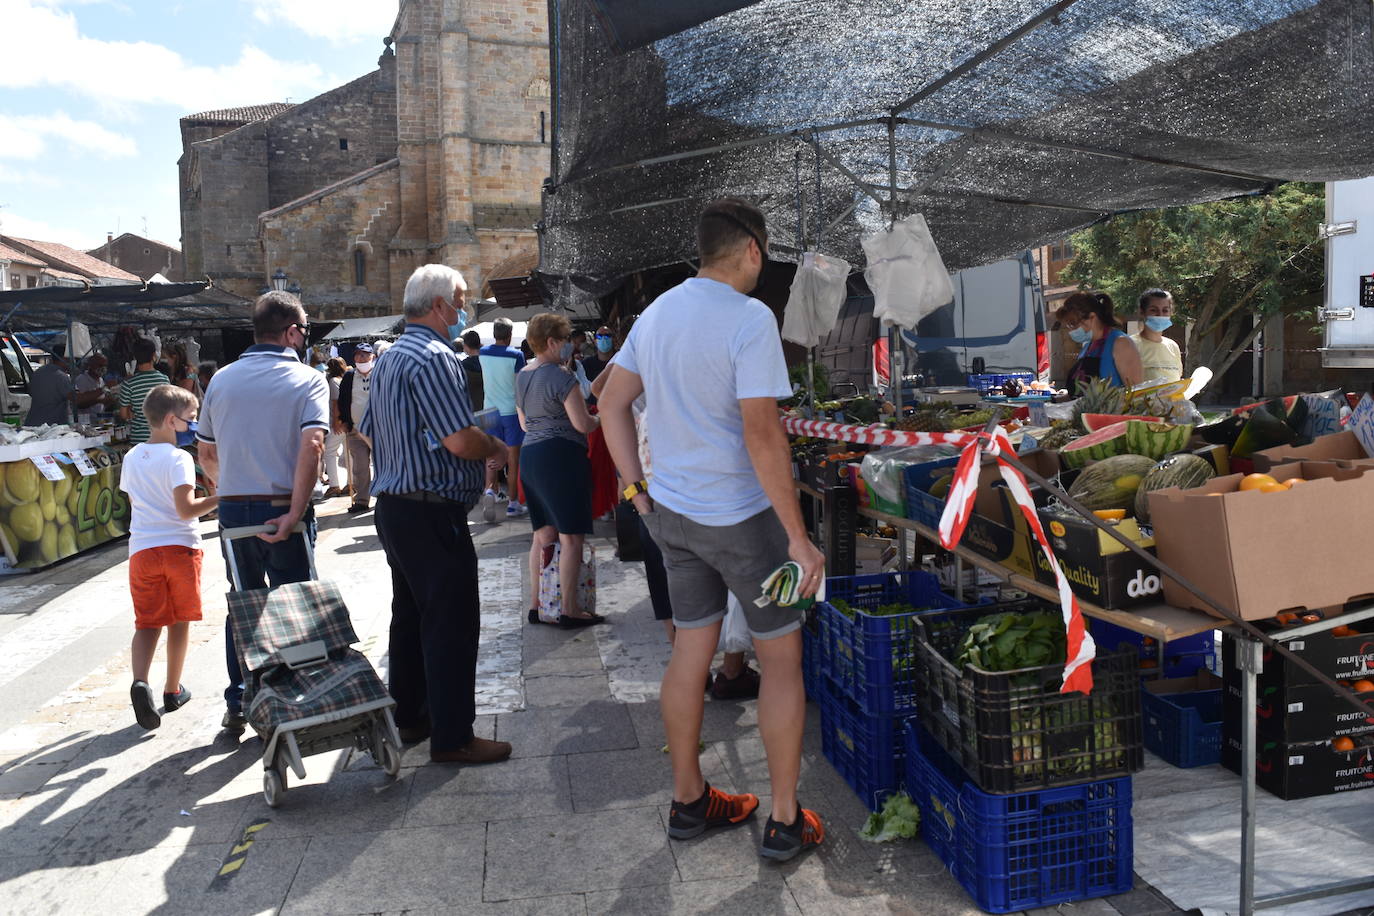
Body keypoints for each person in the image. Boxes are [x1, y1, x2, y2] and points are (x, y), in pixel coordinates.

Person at [600, 198, 826, 862]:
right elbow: (762, 434)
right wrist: (798, 535)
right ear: (752, 249)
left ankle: (690, 800)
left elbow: (611, 404)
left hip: (671, 515)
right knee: (781, 661)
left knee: (689, 654)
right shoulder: (750, 318)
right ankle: (785, 820)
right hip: (742, 518)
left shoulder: (657, 313)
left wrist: (638, 492)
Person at [363, 263, 512, 765]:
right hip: (430, 511)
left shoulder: (387, 359)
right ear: (439, 304)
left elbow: (369, 429)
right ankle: (453, 736)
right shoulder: (434, 357)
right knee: (450, 622)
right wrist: (496, 445)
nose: (463, 310)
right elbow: (460, 439)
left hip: (397, 507)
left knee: (410, 617)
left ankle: (412, 716)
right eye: (461, 299)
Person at [196, 290, 329, 732]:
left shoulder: (221, 380)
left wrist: (229, 486)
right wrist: (294, 511)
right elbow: (313, 445)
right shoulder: (308, 380)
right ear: (291, 332)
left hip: (235, 509)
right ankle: (299, 694)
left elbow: (206, 452)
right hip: (281, 506)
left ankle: (241, 699)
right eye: (305, 330)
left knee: (244, 602)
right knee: (296, 603)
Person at [592, 364, 760, 699]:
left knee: (669, 580)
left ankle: (693, 669)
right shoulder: (698, 389)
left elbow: (601, 393)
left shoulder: (643, 385)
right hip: (699, 502)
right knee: (726, 580)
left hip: (657, 501)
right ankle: (729, 669)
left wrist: (637, 499)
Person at [120, 384, 219, 730]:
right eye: (190, 419)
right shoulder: (179, 459)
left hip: (142, 551)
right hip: (179, 548)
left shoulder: (132, 457)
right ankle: (172, 690)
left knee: (147, 622)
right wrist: (222, 496)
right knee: (179, 620)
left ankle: (140, 682)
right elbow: (185, 510)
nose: (193, 425)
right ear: (169, 420)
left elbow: (135, 505)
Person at [516, 313, 603, 628]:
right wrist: (602, 416)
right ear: (552, 342)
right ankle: (569, 609)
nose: (570, 345)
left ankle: (537, 605)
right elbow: (582, 423)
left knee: (542, 535)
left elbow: (524, 423)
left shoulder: (523, 375)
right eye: (566, 339)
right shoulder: (562, 378)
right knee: (570, 537)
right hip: (562, 457)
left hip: (531, 456)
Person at [479, 318, 528, 521]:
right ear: (509, 335)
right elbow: (519, 386)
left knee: (490, 455)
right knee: (512, 458)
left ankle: (490, 490)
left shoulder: (483, 352)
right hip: (510, 411)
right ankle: (513, 503)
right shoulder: (517, 355)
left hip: (488, 410)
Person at [1056, 290, 1143, 391]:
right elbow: (1079, 394)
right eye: (1068, 326)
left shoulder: (1121, 343)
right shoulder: (1087, 347)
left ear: (1092, 317)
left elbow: (1136, 393)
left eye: (1073, 324)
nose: (1070, 330)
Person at [338, 343, 376, 513]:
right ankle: (361, 500)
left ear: (372, 357)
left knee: (383, 464)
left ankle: (385, 496)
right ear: (354, 358)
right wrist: (344, 420)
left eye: (365, 355)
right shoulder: (349, 376)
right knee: (359, 467)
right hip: (356, 429)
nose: (362, 358)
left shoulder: (380, 374)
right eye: (359, 355)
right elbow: (343, 399)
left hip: (379, 429)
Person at [118, 339, 171, 444]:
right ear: (153, 355)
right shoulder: (164, 380)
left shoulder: (128, 383)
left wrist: (131, 412)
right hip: (161, 437)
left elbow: (123, 415)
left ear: (135, 357)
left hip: (139, 439)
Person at [1132, 288, 1184, 383]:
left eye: (1165, 310)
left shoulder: (1173, 346)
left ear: (1171, 313)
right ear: (1142, 312)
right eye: (1153, 310)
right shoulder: (1130, 345)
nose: (1160, 314)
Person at [322, 357, 349, 497]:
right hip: (348, 421)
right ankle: (351, 483)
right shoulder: (345, 378)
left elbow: (335, 402)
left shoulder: (333, 381)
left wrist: (335, 421)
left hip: (338, 422)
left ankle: (334, 485)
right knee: (348, 453)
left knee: (329, 452)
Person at [26, 355, 74, 427]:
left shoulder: (38, 372)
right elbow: (75, 399)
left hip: (33, 422)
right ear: (64, 358)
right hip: (51, 426)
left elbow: (30, 391)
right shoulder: (61, 376)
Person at [73, 353, 115, 426]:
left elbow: (103, 403)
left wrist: (109, 400)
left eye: (105, 366)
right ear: (91, 365)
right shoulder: (82, 380)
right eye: (100, 365)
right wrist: (100, 400)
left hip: (99, 421)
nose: (103, 368)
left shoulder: (101, 380)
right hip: (86, 423)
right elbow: (80, 404)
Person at [459, 329, 485, 409]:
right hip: (487, 405)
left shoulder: (462, 366)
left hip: (470, 407)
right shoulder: (486, 362)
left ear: (466, 346)